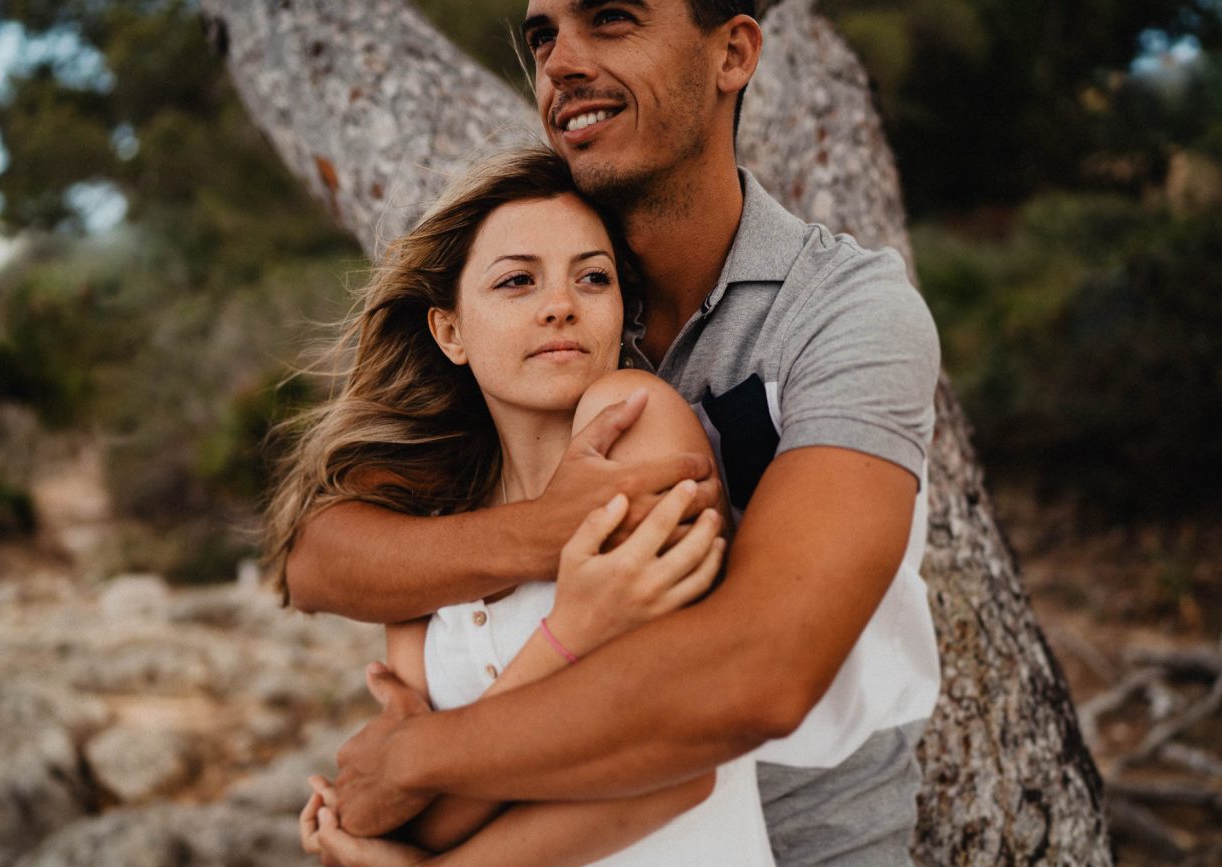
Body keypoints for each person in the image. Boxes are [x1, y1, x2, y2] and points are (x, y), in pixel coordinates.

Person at [282, 1, 941, 863]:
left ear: (732, 53)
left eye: (613, 18)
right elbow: (323, 557)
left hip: (799, 843)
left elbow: (757, 678)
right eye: (544, 34)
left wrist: (416, 755)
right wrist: (547, 532)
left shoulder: (847, 313)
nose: (560, 62)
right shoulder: (549, 335)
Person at [269, 148, 775, 864]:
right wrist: (572, 631)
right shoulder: (431, 517)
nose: (561, 303)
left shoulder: (635, 419)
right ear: (450, 332)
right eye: (516, 280)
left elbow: (678, 764)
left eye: (592, 277)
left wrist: (426, 777)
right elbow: (405, 810)